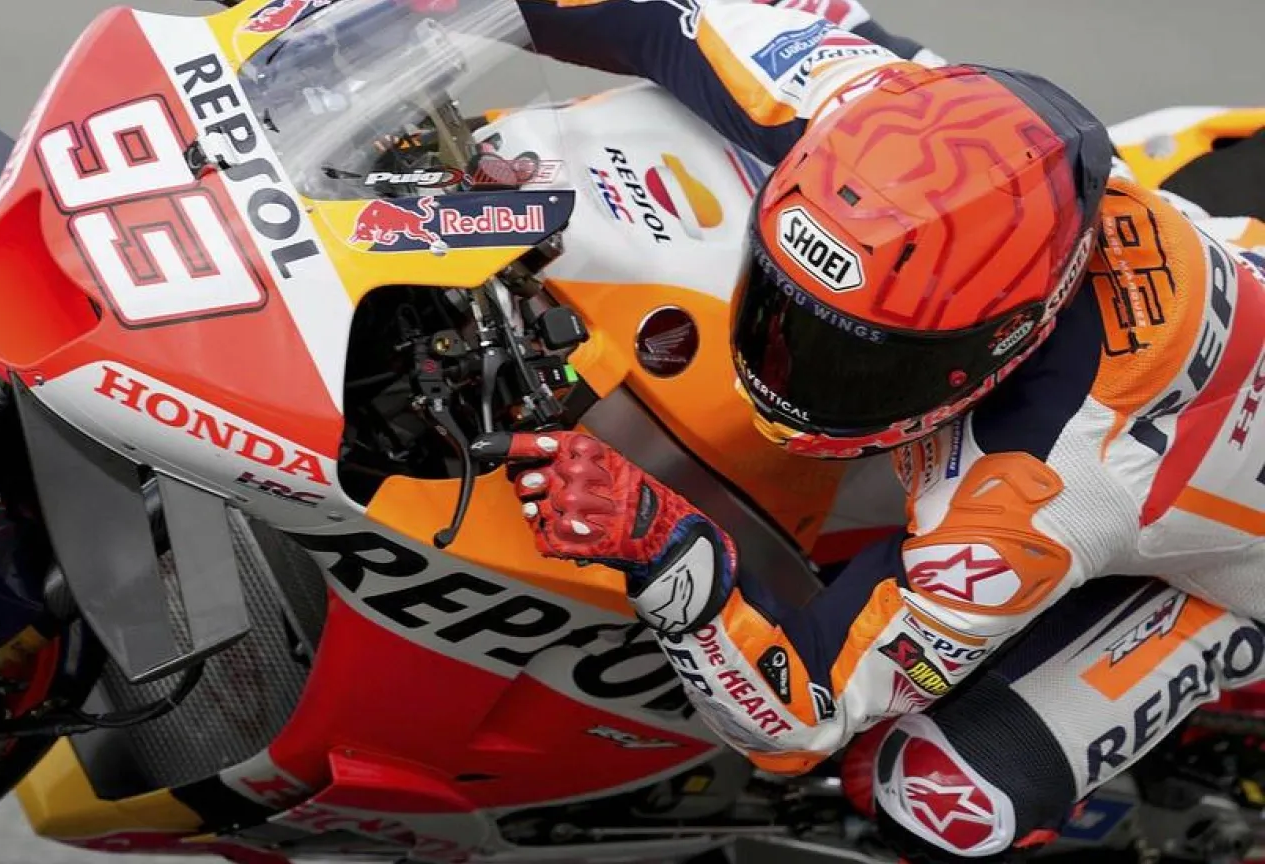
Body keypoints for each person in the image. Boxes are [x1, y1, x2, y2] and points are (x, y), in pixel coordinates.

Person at [474, 0, 1265, 860]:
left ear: (1010, 338)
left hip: (1220, 564)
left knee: (941, 799)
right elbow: (671, 19)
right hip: (1214, 274)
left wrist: (663, 549)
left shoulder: (1039, 496)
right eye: (788, 309)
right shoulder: (890, 122)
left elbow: (800, 717)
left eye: (868, 361)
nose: (796, 373)